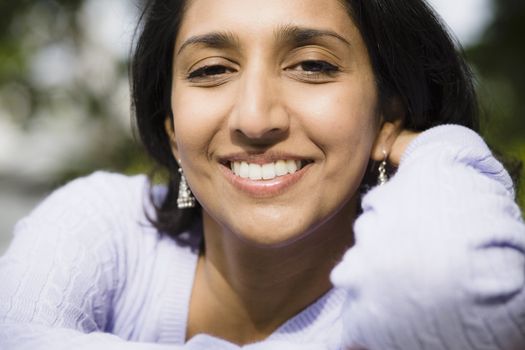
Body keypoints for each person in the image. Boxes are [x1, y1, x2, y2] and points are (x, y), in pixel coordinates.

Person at [1, 0, 524, 349]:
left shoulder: (405, 281)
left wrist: (441, 148)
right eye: (211, 70)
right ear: (173, 130)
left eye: (312, 65)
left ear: (389, 109)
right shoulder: (107, 222)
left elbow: (448, 298)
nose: (255, 119)